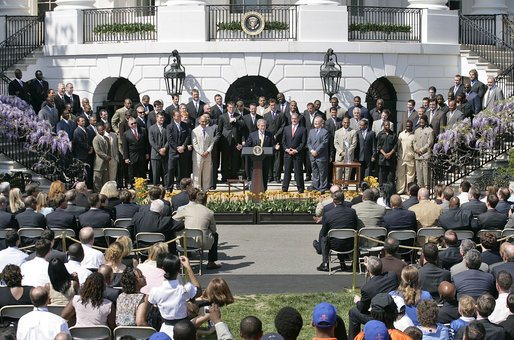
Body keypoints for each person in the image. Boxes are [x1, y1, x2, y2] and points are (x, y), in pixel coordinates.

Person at [148, 255, 201, 337]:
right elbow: (198, 290)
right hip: (184, 330)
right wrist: (189, 268)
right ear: (178, 270)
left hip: (165, 329)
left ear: (163, 268)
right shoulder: (185, 289)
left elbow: (151, 301)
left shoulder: (155, 291)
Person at [348, 256, 399, 340]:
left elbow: (362, 309)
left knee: (353, 312)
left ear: (368, 270)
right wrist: (373, 263)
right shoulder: (392, 276)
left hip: (377, 315)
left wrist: (358, 301)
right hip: (392, 311)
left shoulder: (367, 288)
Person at [173, 191, 221, 270]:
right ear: (206, 201)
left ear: (196, 200)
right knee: (215, 235)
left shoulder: (187, 209)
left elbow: (174, 218)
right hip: (202, 242)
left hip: (185, 241)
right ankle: (211, 262)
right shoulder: (209, 212)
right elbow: (213, 230)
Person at [315, 190, 357, 271]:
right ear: (344, 200)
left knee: (324, 237)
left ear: (333, 200)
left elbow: (324, 232)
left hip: (335, 244)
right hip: (350, 243)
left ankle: (325, 262)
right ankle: (343, 262)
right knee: (342, 234)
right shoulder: (352, 212)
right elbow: (355, 227)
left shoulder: (328, 214)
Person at [245, 119, 274, 190]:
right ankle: (254, 190)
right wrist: (243, 147)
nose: (263, 127)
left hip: (265, 159)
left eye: (264, 126)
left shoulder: (269, 134)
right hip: (255, 160)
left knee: (264, 175)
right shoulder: (252, 135)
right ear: (258, 126)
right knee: (255, 175)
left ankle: (264, 190)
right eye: (261, 126)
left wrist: (275, 147)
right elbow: (248, 145)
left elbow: (273, 145)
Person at [218, 102, 243, 182]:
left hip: (236, 141)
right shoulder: (222, 116)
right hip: (226, 141)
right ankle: (224, 177)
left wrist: (235, 120)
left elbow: (243, 125)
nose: (231, 109)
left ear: (235, 108)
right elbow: (220, 129)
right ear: (227, 108)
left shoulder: (238, 116)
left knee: (235, 159)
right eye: (230, 107)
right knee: (225, 160)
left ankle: (234, 176)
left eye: (233, 107)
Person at [282, 113, 307, 193]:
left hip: (297, 154)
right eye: (292, 118)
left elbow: (303, 143)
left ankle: (300, 188)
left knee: (298, 172)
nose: (294, 120)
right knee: (287, 172)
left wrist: (296, 150)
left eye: (295, 118)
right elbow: (283, 141)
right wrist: (286, 149)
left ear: (298, 119)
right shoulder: (286, 128)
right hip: (287, 154)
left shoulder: (303, 129)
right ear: (291, 119)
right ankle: (285, 187)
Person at [191, 114, 216, 191]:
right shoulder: (194, 131)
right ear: (199, 121)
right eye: (202, 121)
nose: (204, 123)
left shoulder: (210, 130)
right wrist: (202, 152)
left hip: (208, 155)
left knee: (206, 173)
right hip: (198, 155)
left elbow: (212, 142)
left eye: (205, 121)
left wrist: (208, 151)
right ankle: (197, 189)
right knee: (197, 173)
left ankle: (206, 189)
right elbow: (194, 143)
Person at [123, 117, 149, 187]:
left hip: (141, 154)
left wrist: (147, 153)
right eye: (132, 124)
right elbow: (125, 147)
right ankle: (133, 185)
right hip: (132, 155)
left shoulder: (142, 130)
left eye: (135, 123)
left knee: (142, 171)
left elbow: (146, 143)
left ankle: (143, 185)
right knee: (132, 172)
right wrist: (126, 157)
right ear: (129, 125)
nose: (134, 125)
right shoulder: (126, 134)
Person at [308, 116, 329, 192]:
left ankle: (322, 188)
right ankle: (316, 187)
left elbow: (324, 143)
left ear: (321, 123)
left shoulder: (325, 132)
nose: (315, 123)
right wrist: (311, 151)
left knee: (322, 173)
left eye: (317, 121)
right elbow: (309, 143)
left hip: (321, 156)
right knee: (315, 172)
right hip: (313, 156)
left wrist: (316, 151)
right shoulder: (311, 131)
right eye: (314, 121)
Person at [333, 116, 358, 181]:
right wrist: (341, 152)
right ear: (342, 123)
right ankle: (339, 184)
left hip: (349, 154)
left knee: (348, 170)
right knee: (338, 170)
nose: (346, 124)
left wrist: (347, 152)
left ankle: (345, 186)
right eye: (345, 122)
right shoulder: (337, 132)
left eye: (348, 123)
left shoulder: (353, 132)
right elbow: (336, 143)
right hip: (339, 155)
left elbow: (354, 144)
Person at [413, 115, 433, 188]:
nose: (421, 124)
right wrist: (416, 149)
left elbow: (429, 143)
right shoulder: (417, 130)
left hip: (425, 155)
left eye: (422, 123)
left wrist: (421, 150)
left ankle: (426, 186)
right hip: (417, 155)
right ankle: (419, 185)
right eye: (420, 123)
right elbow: (414, 141)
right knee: (419, 172)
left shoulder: (430, 130)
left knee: (426, 172)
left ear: (426, 122)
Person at [396, 120, 416, 194]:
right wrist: (397, 154)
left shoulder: (414, 135)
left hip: (410, 158)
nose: (408, 127)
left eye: (410, 126)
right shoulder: (401, 134)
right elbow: (398, 146)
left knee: (410, 176)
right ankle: (400, 190)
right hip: (401, 157)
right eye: (407, 126)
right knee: (400, 175)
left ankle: (409, 191)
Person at [92, 124, 111, 193]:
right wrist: (106, 156)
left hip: (106, 162)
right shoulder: (96, 139)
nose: (103, 131)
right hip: (99, 163)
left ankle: (105, 193)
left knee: (105, 179)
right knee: (98, 179)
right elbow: (97, 150)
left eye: (103, 129)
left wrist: (109, 156)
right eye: (101, 130)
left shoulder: (106, 138)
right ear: (98, 131)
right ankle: (98, 193)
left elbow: (109, 149)